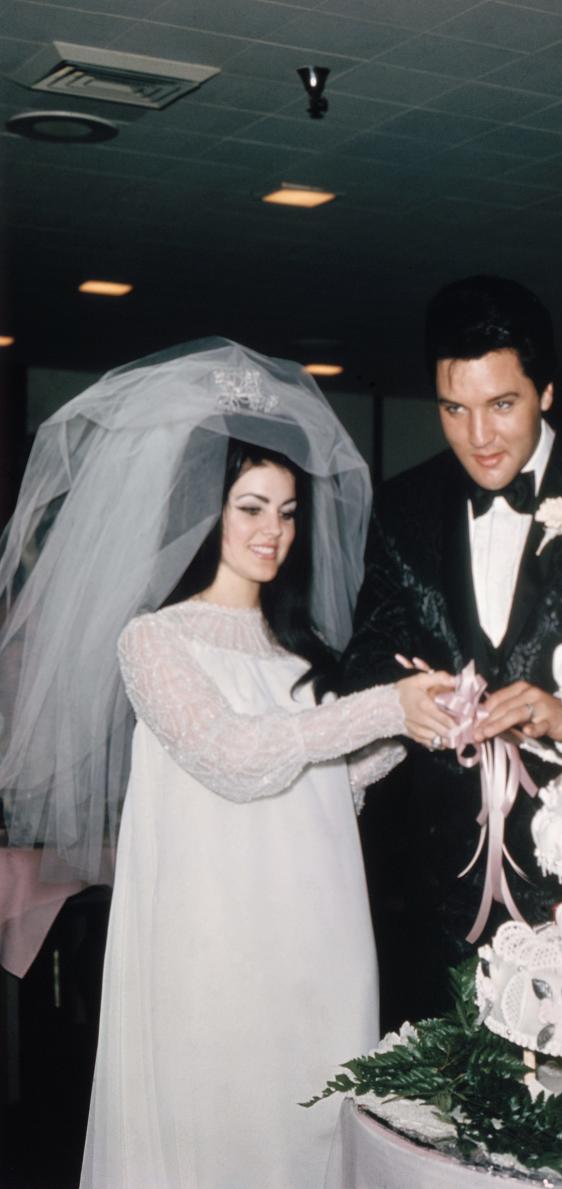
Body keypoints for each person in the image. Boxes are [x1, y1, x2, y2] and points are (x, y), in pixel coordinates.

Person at [0, 339, 453, 1186]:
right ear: (206, 510)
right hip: (217, 935)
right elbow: (237, 757)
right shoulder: (154, 641)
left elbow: (326, 784)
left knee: (314, 1126)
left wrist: (414, 724)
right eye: (250, 508)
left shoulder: (302, 649)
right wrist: (382, 708)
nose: (272, 531)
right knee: (226, 1123)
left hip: (319, 928)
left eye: (286, 511)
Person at [339, 275, 562, 1022]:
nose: (478, 436)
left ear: (547, 391)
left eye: (502, 405)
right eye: (455, 409)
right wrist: (403, 701)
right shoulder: (403, 506)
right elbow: (367, 658)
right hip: (436, 895)